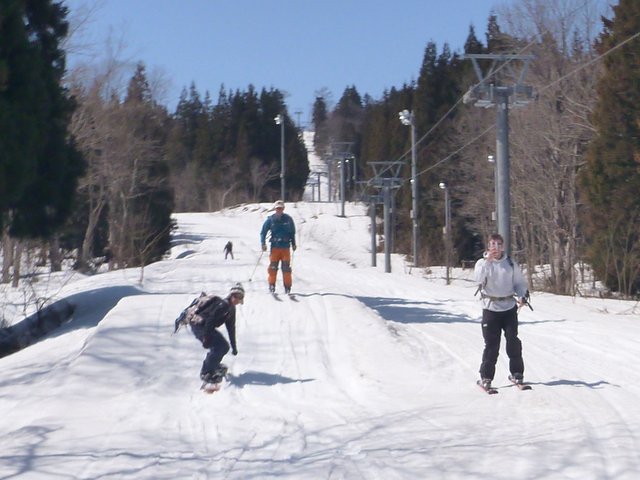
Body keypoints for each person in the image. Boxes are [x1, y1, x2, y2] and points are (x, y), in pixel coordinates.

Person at [474, 233, 529, 390]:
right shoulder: (482, 263)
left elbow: (519, 283)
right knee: (492, 345)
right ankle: (486, 377)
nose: (496, 248)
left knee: (513, 341)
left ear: (503, 247)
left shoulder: (510, 263)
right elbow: (477, 279)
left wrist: (522, 295)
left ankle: (517, 373)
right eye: (493, 244)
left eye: (499, 244)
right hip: (490, 308)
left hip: (509, 308)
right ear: (488, 246)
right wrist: (487, 262)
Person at [190, 283, 244, 383]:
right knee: (218, 347)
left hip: (206, 327)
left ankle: (213, 366)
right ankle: (206, 372)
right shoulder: (223, 305)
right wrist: (206, 337)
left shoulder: (231, 309)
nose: (237, 300)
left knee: (224, 347)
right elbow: (210, 320)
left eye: (240, 298)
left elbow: (231, 328)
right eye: (236, 297)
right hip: (198, 325)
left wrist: (234, 346)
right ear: (231, 295)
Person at [260, 200, 297, 294]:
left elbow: (292, 232)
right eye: (277, 208)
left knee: (286, 269)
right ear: (275, 209)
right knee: (272, 268)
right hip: (275, 248)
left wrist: (293, 243)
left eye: (280, 208)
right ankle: (272, 286)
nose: (279, 210)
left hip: (285, 248)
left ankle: (287, 287)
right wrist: (263, 243)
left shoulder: (288, 219)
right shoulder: (270, 219)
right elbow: (263, 232)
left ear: (283, 208)